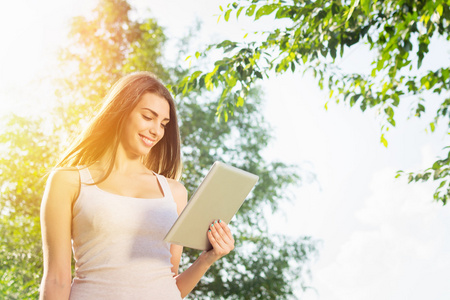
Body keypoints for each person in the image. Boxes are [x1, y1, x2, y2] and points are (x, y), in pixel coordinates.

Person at [39, 71, 235, 299]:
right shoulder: (68, 181)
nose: (156, 131)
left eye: (163, 124)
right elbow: (56, 279)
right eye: (148, 117)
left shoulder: (174, 193)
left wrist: (207, 259)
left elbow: (170, 283)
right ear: (121, 111)